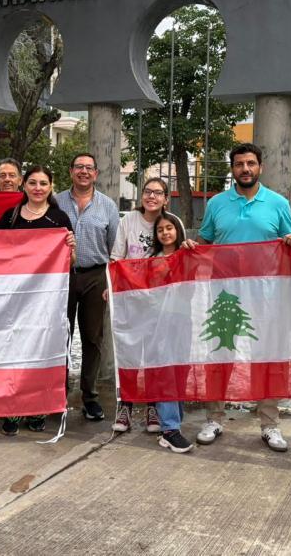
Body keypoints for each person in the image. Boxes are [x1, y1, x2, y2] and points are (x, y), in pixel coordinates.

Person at [190, 142, 291, 451]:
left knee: (266, 358)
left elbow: (289, 240)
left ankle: (269, 424)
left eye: (251, 163)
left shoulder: (277, 203)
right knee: (220, 355)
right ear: (232, 168)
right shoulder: (216, 204)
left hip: (266, 296)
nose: (245, 169)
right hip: (225, 295)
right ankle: (214, 419)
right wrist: (190, 249)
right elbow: (204, 242)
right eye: (239, 164)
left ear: (260, 167)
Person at [0, 166, 76, 435]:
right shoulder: (11, 216)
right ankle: (13, 408)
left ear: (51, 187)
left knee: (42, 349)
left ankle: (38, 408)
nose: (38, 188)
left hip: (46, 301)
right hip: (15, 299)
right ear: (24, 186)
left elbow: (70, 262)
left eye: (43, 183)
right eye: (32, 183)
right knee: (14, 350)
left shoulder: (59, 218)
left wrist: (71, 248)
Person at [109, 177, 183, 433]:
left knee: (155, 354)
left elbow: (181, 258)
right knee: (129, 351)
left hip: (162, 304)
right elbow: (117, 258)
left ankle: (153, 405)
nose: (152, 196)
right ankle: (125, 405)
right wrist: (111, 286)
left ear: (166, 198)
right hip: (131, 298)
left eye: (158, 192)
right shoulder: (128, 220)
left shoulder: (171, 222)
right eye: (148, 191)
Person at [56, 153, 120, 422]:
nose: (84, 171)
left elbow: (115, 248)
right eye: (79, 167)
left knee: (93, 338)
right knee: (61, 334)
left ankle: (90, 396)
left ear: (96, 173)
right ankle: (58, 392)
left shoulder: (108, 206)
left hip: (96, 276)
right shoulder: (56, 202)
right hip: (62, 277)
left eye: (89, 168)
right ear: (71, 171)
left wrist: (111, 282)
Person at [149, 211, 195, 454]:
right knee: (166, 371)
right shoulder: (151, 260)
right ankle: (169, 429)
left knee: (180, 372)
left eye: (169, 228)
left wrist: (190, 254)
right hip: (160, 322)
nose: (165, 233)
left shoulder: (188, 255)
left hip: (183, 320)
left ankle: (174, 421)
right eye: (160, 230)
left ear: (178, 230)